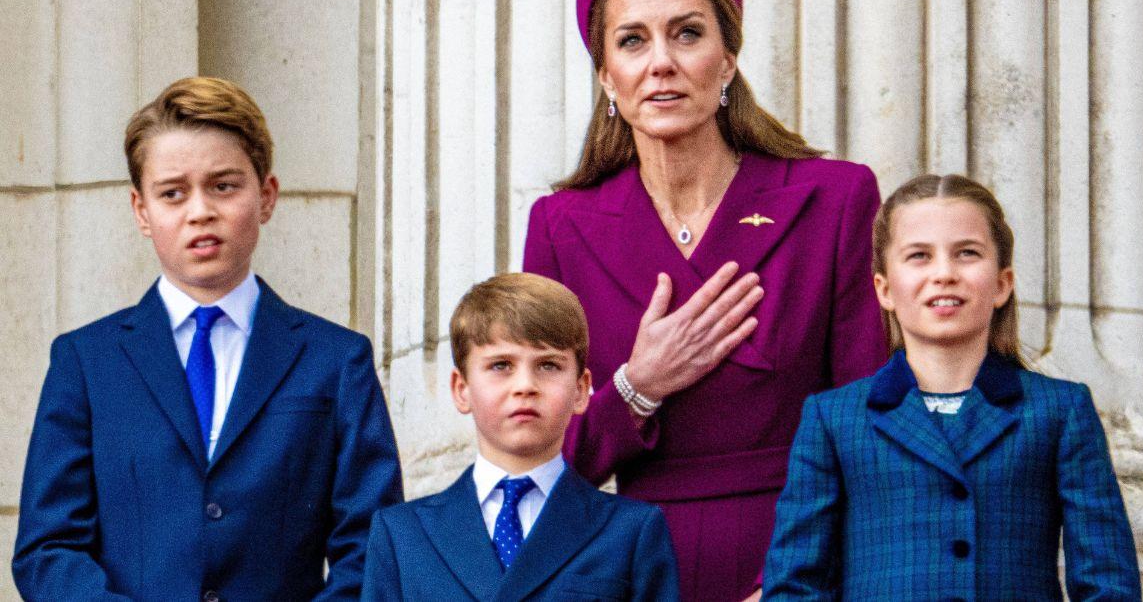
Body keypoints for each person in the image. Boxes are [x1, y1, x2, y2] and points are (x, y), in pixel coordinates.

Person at [522, 0, 887, 599]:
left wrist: (800, 583)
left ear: (727, 60)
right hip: (635, 572)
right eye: (632, 41)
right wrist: (638, 384)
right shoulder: (560, 227)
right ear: (607, 74)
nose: (661, 62)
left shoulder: (834, 201)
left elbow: (874, 435)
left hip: (797, 567)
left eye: (687, 34)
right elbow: (542, 457)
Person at [12, 77, 403, 600]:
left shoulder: (336, 361)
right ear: (141, 211)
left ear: (266, 196)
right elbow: (48, 549)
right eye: (173, 193)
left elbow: (374, 550)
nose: (200, 211)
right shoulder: (85, 362)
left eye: (224, 185)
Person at [763, 174, 1141, 600]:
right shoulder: (833, 418)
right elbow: (795, 585)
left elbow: (1109, 584)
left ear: (1002, 284)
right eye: (919, 256)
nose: (944, 274)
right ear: (884, 289)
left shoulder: (1059, 410)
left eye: (967, 253)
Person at [362, 273, 679, 601]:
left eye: (548, 366)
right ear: (462, 389)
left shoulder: (631, 532)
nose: (525, 385)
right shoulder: (401, 535)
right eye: (501, 366)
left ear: (581, 390)